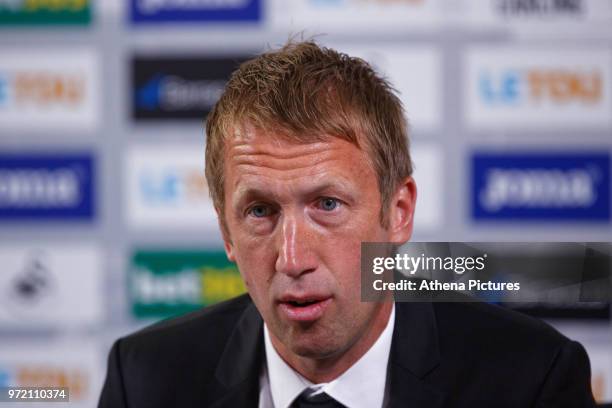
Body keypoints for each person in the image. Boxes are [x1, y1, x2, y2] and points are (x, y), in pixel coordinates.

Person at [99, 41, 596, 408]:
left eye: (328, 204)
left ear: (397, 212)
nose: (292, 259)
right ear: (226, 233)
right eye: (259, 212)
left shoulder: (532, 380)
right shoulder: (143, 380)